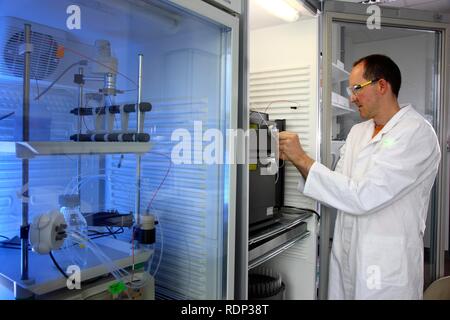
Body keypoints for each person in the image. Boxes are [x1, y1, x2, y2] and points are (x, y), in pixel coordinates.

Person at [279, 54, 441, 299]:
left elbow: (363, 196)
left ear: (382, 86)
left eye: (357, 88)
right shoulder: (358, 132)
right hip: (348, 252)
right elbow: (341, 188)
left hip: (386, 264)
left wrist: (302, 159)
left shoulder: (416, 133)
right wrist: (298, 160)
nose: (352, 98)